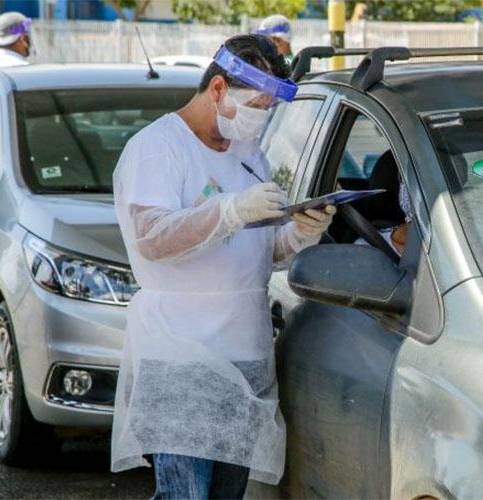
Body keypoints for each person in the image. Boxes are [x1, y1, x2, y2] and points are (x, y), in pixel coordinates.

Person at [110, 34, 335, 499]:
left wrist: (300, 233)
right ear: (217, 89)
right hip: (181, 354)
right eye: (257, 104)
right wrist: (230, 210)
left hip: (245, 351)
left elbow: (259, 250)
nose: (262, 117)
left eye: (269, 107)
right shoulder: (157, 148)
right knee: (183, 495)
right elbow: (152, 238)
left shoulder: (248, 155)